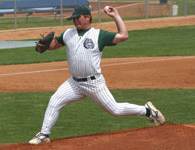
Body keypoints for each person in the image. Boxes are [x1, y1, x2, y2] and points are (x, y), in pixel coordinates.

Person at [28, 6, 165, 145]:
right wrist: (42, 46)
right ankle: (44, 134)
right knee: (55, 101)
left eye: (78, 17)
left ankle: (148, 111)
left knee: (115, 110)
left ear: (88, 17)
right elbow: (53, 44)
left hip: (94, 83)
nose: (75, 21)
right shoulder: (68, 33)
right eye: (73, 18)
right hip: (74, 83)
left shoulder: (99, 35)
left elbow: (124, 35)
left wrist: (116, 16)